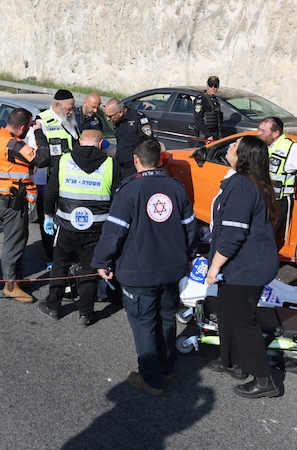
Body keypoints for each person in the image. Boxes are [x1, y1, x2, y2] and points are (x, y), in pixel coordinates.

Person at [92, 138, 198, 396]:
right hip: (172, 270)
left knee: (143, 325)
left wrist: (101, 261)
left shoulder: (129, 190)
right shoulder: (176, 188)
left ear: (136, 160)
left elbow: (113, 232)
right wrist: (189, 257)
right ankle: (167, 367)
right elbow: (190, 228)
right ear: (161, 161)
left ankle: (151, 379)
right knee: (166, 319)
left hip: (139, 274)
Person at [204, 135, 281, 399]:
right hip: (241, 265)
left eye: (234, 147)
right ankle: (232, 362)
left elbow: (233, 234)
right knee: (225, 311)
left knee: (243, 321)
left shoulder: (241, 186)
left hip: (248, 268)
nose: (229, 147)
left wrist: (214, 267)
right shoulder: (248, 183)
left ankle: (264, 379)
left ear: (244, 156)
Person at [40, 129, 122, 326]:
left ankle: (53, 306)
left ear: (79, 141)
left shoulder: (64, 160)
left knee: (60, 264)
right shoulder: (110, 163)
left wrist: (48, 215)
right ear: (101, 143)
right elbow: (118, 198)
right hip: (97, 227)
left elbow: (50, 193)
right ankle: (85, 313)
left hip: (67, 225)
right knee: (90, 269)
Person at [0, 107, 51, 303]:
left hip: (6, 195)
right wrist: (38, 131)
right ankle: (10, 285)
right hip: (13, 198)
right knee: (14, 242)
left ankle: (18, 278)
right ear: (22, 127)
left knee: (19, 238)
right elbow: (43, 158)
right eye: (29, 126)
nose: (29, 129)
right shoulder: (13, 144)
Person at [256, 116, 297, 246]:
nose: (259, 133)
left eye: (263, 131)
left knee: (266, 237)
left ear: (276, 133)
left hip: (277, 202)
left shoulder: (292, 148)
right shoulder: (264, 144)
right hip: (262, 197)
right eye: (259, 129)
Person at [35, 89, 80, 264]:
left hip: (69, 180)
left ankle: (66, 254)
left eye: (73, 107)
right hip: (49, 180)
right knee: (49, 221)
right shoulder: (42, 121)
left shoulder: (71, 122)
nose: (71, 111)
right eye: (69, 108)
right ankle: (51, 257)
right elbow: (39, 154)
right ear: (57, 105)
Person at [104, 98, 154, 179]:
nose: (108, 119)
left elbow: (147, 142)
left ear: (120, 112)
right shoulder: (117, 120)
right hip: (119, 164)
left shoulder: (138, 119)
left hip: (133, 167)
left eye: (110, 116)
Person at [193, 75, 223, 141]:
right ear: (207, 85)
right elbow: (198, 120)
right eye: (210, 85)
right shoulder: (201, 99)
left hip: (215, 134)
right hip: (205, 136)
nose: (213, 88)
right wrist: (208, 135)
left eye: (215, 86)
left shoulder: (215, 100)